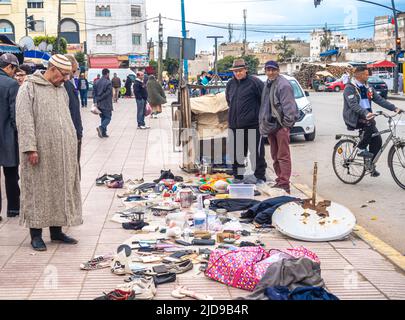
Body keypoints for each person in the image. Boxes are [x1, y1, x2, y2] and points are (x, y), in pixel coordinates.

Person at [15, 54, 82, 251]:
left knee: (60, 189)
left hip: (62, 152)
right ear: (52, 69)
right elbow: (24, 119)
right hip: (40, 152)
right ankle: (35, 234)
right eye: (64, 74)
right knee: (37, 191)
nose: (66, 79)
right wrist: (30, 148)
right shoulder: (29, 87)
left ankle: (56, 231)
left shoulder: (61, 90)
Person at [343, 66, 403, 177]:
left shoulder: (368, 87)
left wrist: (394, 108)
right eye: (366, 74)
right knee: (370, 124)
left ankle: (370, 164)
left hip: (367, 117)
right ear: (359, 75)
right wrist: (365, 113)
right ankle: (360, 148)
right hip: (354, 117)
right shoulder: (350, 88)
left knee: (377, 140)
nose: (368, 76)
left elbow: (379, 100)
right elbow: (353, 105)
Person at [259, 61, 299, 194]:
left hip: (281, 126)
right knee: (275, 155)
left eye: (273, 70)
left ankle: (284, 183)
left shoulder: (283, 85)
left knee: (283, 155)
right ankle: (279, 179)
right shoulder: (268, 84)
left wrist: (286, 126)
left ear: (278, 70)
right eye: (268, 70)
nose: (270, 72)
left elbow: (290, 108)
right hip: (271, 126)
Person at [225, 58, 267, 184]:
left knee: (257, 153)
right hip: (234, 124)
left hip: (252, 125)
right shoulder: (230, 84)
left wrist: (258, 116)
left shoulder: (255, 82)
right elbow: (229, 101)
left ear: (245, 70)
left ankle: (260, 177)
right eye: (235, 71)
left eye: (240, 71)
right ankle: (238, 176)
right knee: (237, 153)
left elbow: (264, 100)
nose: (238, 73)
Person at [0, 53, 21, 219]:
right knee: (11, 174)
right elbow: (15, 115)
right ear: (9, 67)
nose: (15, 73)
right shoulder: (11, 84)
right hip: (7, 137)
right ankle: (13, 209)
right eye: (14, 70)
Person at [64, 55, 83, 170]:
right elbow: (74, 111)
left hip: (71, 132)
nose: (74, 74)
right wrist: (78, 133)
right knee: (74, 167)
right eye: (74, 71)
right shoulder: (67, 86)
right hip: (72, 133)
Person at [94, 68, 113, 138]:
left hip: (99, 103)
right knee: (108, 117)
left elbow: (94, 93)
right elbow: (108, 93)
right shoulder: (108, 82)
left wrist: (96, 100)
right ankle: (101, 128)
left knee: (103, 117)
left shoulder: (96, 82)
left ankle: (104, 133)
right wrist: (101, 98)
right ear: (107, 74)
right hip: (106, 103)